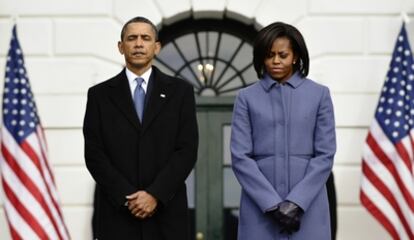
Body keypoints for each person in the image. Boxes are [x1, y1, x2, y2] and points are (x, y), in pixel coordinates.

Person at [83, 16, 198, 240]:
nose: (138, 44)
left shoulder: (180, 92)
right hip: (117, 216)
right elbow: (94, 154)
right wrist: (129, 198)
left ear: (156, 47)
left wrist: (154, 194)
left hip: (166, 215)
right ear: (120, 46)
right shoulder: (99, 95)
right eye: (131, 38)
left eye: (145, 38)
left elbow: (186, 150)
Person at [230, 21, 336, 240]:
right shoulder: (246, 98)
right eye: (269, 55)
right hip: (259, 210)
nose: (275, 61)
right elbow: (240, 157)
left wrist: (297, 202)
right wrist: (271, 204)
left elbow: (325, 155)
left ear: (296, 56)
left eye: (283, 54)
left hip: (309, 208)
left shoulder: (319, 95)